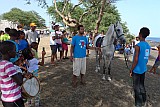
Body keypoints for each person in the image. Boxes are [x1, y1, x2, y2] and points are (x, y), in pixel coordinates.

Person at [0, 41, 31, 107]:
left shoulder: (1, 63)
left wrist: (22, 75)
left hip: (5, 98)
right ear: (9, 52)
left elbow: (10, 77)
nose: (16, 52)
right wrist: (19, 71)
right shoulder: (8, 65)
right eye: (14, 50)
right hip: (14, 98)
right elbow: (19, 82)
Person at [130, 27, 151, 107]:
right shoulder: (148, 46)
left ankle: (138, 104)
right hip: (143, 68)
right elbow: (146, 59)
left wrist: (131, 69)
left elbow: (136, 60)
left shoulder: (138, 46)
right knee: (142, 85)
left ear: (140, 34)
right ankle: (144, 100)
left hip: (137, 69)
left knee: (136, 87)